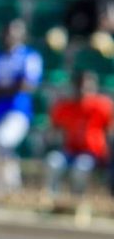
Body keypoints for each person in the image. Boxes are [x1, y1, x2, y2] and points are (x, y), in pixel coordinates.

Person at [0, 18, 43, 195]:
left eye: (13, 32)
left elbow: (26, 85)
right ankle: (0, 188)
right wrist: (9, 87)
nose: (8, 36)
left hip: (18, 112)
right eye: (6, 32)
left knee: (3, 140)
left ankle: (12, 186)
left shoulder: (29, 56)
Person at [45, 71, 113, 216]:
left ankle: (77, 205)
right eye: (80, 86)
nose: (83, 91)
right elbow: (52, 129)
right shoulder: (66, 106)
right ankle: (53, 203)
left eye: (87, 87)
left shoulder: (102, 105)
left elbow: (110, 131)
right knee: (53, 162)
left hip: (93, 153)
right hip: (70, 151)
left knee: (81, 167)